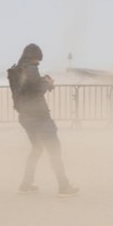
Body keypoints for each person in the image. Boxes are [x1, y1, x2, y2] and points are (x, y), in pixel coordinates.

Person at [14, 43, 79, 197]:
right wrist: (48, 84)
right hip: (40, 118)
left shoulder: (18, 70)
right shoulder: (31, 69)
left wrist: (42, 82)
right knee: (54, 151)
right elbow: (36, 90)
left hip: (25, 117)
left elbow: (28, 89)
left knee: (37, 149)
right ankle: (64, 187)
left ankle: (26, 184)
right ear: (36, 56)